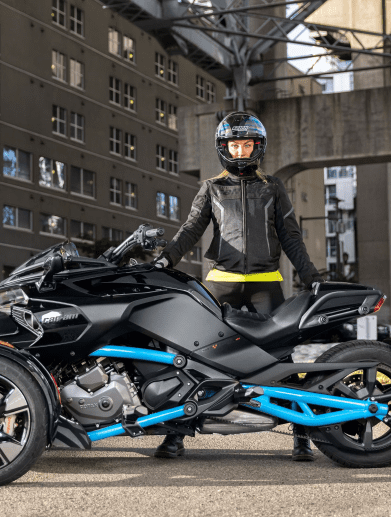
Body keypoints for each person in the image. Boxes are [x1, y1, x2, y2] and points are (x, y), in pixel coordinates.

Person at [152, 111, 324, 461]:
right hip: (221, 284)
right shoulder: (211, 188)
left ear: (258, 147)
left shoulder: (273, 187)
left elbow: (291, 237)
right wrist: (166, 259)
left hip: (266, 284)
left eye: (248, 145)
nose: (242, 151)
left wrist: (312, 276)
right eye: (235, 144)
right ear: (224, 147)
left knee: (283, 360)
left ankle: (302, 435)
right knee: (192, 356)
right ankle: (175, 435)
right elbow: (190, 230)